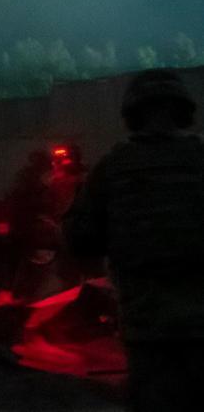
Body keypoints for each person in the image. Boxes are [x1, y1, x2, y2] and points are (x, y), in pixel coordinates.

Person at [65, 69, 204, 411]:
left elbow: (79, 238)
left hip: (147, 329)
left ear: (133, 113)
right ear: (182, 110)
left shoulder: (113, 167)